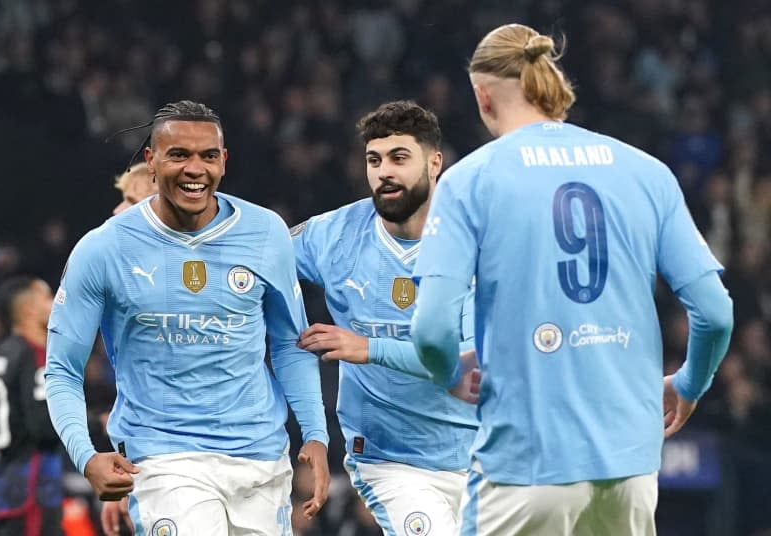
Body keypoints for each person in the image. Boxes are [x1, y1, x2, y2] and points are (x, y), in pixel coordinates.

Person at [410, 24, 733, 536]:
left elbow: (430, 330)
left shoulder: (471, 180)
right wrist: (690, 383)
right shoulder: (645, 171)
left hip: (525, 465)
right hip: (630, 465)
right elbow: (715, 312)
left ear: (482, 95)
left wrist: (450, 373)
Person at [45, 100, 329, 536]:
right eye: (179, 154)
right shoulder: (103, 249)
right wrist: (86, 456)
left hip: (261, 458)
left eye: (208, 156)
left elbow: (291, 342)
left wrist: (315, 433)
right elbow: (62, 368)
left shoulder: (266, 232)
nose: (195, 168)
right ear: (151, 161)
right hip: (163, 458)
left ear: (224, 162)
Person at [292, 100, 478, 535]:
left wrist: (368, 347)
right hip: (389, 460)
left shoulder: (476, 241)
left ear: (435, 163)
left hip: (481, 454)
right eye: (374, 160)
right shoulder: (334, 234)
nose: (383, 172)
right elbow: (254, 257)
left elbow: (465, 360)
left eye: (399, 158)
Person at [0, 276, 65, 536]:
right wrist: (93, 424)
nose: (55, 302)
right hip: (36, 481)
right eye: (47, 297)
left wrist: (3, 439)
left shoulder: (0, 354)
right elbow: (44, 424)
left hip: (8, 477)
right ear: (29, 309)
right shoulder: (35, 355)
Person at [100, 162, 160, 535]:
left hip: (233, 455)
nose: (118, 210)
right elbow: (140, 390)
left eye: (130, 200)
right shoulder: (119, 272)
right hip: (153, 455)